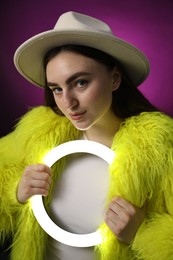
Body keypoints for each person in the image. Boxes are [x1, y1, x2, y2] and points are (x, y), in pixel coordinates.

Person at [0, 11, 173, 260]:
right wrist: (15, 192)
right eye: (57, 89)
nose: (67, 103)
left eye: (80, 82)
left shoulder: (160, 146)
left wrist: (143, 232)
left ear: (114, 79)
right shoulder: (38, 134)